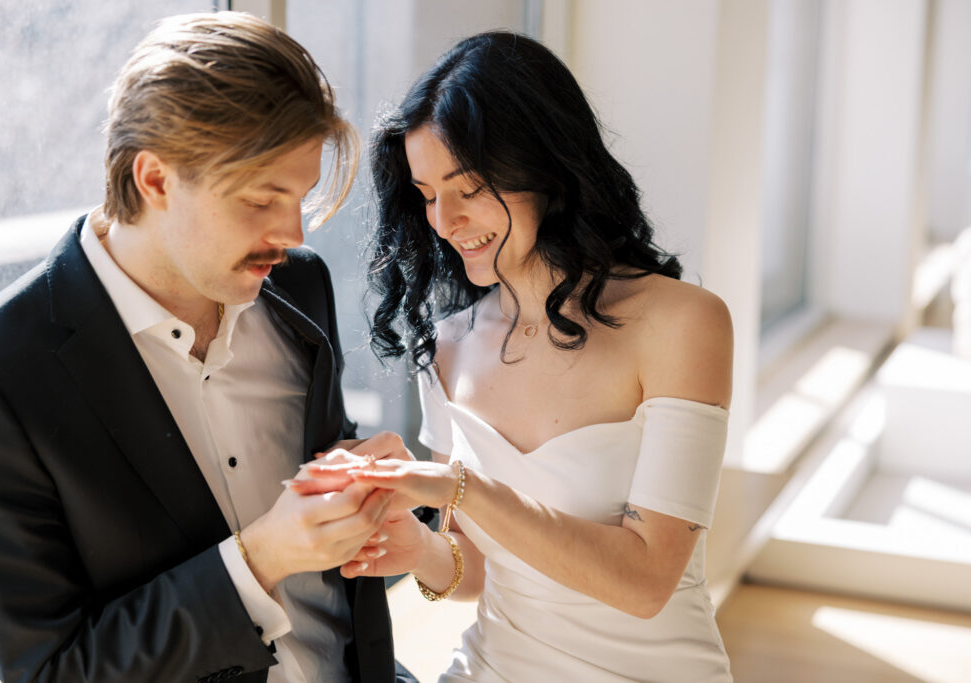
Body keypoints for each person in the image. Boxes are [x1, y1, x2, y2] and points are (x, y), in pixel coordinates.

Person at [0, 12, 415, 683]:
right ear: (155, 179)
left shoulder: (299, 288)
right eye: (262, 199)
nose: (291, 232)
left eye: (301, 196)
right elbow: (52, 670)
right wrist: (258, 559)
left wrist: (363, 483)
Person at [300, 31, 735, 682]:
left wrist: (458, 487)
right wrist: (413, 542)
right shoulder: (446, 347)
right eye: (425, 194)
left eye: (467, 186)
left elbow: (646, 580)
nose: (443, 220)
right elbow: (475, 570)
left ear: (547, 167)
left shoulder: (682, 323)